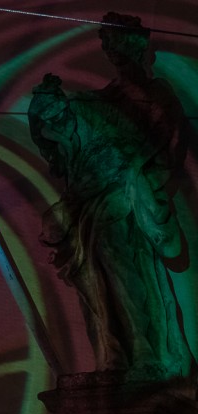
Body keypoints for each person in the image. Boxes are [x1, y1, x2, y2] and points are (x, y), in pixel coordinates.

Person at [28, 13, 192, 379]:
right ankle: (112, 354)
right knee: (93, 282)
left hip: (129, 197)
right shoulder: (99, 100)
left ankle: (147, 352)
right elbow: (66, 135)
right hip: (91, 199)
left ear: (136, 48)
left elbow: (166, 148)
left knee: (124, 271)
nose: (112, 51)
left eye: (117, 43)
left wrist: (135, 173)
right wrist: (46, 108)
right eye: (108, 45)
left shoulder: (157, 94)